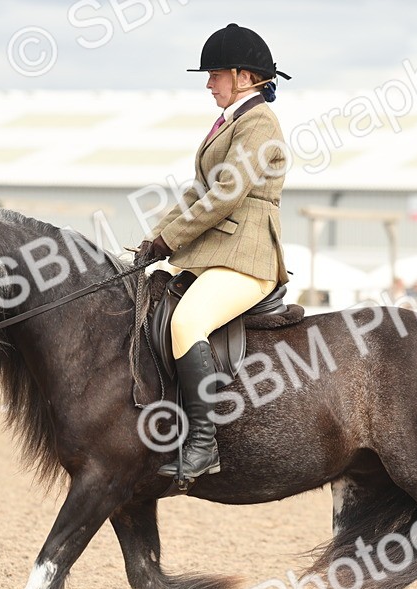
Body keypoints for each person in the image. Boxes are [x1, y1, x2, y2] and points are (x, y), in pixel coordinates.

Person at [133, 23, 292, 480]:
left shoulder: (260, 123)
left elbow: (225, 194)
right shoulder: (231, 121)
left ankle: (204, 444)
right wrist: (154, 239)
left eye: (215, 74)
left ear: (244, 77)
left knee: (187, 322)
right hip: (218, 253)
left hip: (249, 257)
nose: (208, 83)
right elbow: (197, 192)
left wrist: (171, 241)